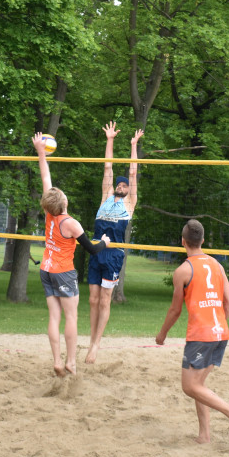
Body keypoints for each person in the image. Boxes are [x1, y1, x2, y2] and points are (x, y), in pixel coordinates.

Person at [155, 220, 229, 447]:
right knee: (199, 386)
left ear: (183, 242)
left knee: (189, 387)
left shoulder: (182, 271)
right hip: (221, 334)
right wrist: (216, 325)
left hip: (201, 336)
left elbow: (175, 310)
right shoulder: (217, 265)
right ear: (203, 241)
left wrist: (162, 335)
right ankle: (204, 435)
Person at [32, 132, 109, 377]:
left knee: (54, 317)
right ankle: (71, 362)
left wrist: (41, 152)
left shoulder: (49, 212)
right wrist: (105, 242)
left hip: (46, 269)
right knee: (71, 317)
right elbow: (92, 249)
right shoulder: (71, 224)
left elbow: (45, 176)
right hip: (63, 272)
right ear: (63, 202)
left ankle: (57, 360)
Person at [85, 121, 144, 364]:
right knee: (92, 299)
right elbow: (107, 168)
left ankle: (96, 344)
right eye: (119, 184)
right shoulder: (105, 197)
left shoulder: (129, 203)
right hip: (96, 250)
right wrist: (110, 139)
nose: (122, 186)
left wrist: (133, 146)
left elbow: (132, 172)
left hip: (114, 254)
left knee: (105, 299)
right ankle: (91, 340)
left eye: (125, 185)